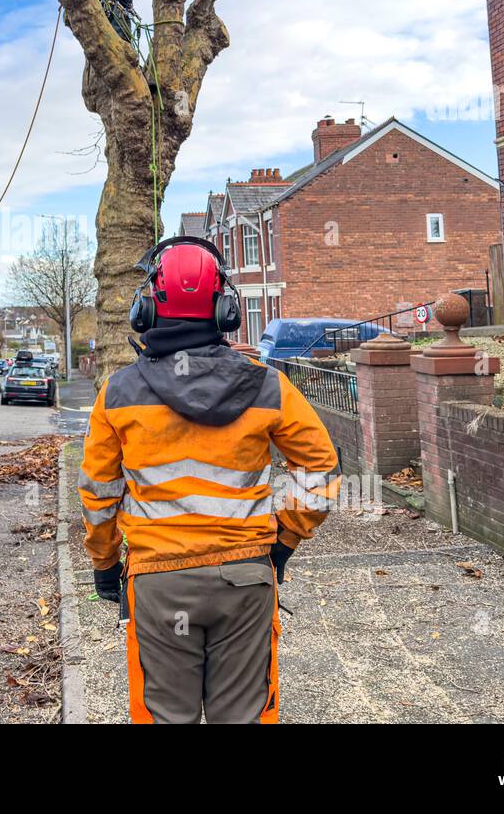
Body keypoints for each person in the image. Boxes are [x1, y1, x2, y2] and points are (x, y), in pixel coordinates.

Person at [79, 238, 339, 724]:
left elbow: (98, 494)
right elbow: (320, 472)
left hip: (158, 582)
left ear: (144, 309)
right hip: (245, 578)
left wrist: (103, 563)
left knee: (164, 717)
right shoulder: (268, 386)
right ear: (226, 310)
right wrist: (282, 542)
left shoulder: (117, 394)